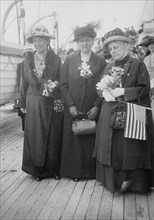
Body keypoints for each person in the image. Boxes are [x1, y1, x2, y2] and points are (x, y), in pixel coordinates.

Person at [93, 28, 154, 193]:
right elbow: (99, 88)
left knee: (128, 147)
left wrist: (124, 92)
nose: (113, 51)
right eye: (111, 49)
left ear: (126, 46)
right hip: (110, 113)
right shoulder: (108, 67)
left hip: (130, 115)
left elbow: (144, 88)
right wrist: (103, 93)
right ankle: (113, 181)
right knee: (111, 147)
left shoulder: (138, 64)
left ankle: (133, 182)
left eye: (116, 47)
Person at [60, 23, 106, 182]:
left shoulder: (100, 61)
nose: (84, 44)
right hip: (74, 107)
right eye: (81, 41)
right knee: (75, 140)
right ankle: (75, 172)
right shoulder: (70, 60)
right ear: (77, 43)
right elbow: (63, 84)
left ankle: (92, 172)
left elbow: (105, 85)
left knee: (91, 139)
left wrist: (97, 105)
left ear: (93, 41)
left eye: (87, 40)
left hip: (92, 107)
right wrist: (70, 105)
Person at [19, 25, 63, 181]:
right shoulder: (28, 60)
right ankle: (37, 171)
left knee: (52, 136)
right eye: (35, 41)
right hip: (33, 102)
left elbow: (61, 79)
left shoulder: (56, 59)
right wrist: (22, 104)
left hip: (50, 101)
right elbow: (23, 83)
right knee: (35, 136)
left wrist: (55, 85)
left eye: (41, 41)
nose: (38, 44)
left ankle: (53, 170)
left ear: (47, 42)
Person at [17, 45, 34, 131]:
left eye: (29, 53)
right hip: (23, 91)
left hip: (30, 93)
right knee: (24, 112)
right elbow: (19, 80)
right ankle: (25, 129)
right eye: (26, 53)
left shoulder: (34, 64)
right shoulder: (20, 65)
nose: (27, 55)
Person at [144, 36, 154, 121]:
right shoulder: (146, 59)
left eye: (153, 44)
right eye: (149, 44)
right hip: (150, 88)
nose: (151, 46)